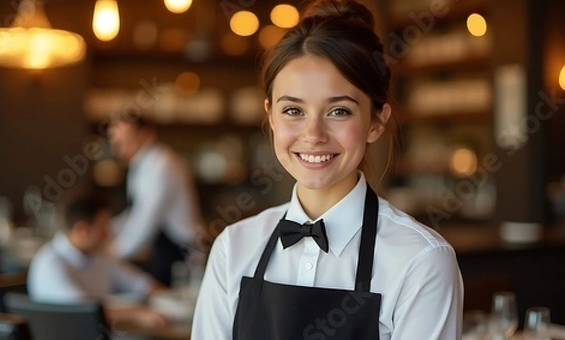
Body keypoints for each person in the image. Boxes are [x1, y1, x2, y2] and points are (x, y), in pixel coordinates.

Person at [191, 1, 464, 339]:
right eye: (293, 110)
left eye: (338, 112)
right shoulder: (233, 248)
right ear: (271, 117)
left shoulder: (421, 261)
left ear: (377, 121)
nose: (313, 135)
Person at [27, 192, 169, 330]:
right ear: (82, 229)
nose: (109, 233)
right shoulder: (50, 263)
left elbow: (141, 283)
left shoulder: (100, 256)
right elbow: (84, 312)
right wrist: (138, 315)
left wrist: (171, 300)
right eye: (103, 227)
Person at [107, 115, 203, 285]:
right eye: (116, 143)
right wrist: (105, 230)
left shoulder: (161, 165)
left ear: (147, 134)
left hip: (180, 250)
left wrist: (112, 254)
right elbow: (133, 213)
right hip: (163, 246)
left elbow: (146, 219)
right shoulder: (141, 164)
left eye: (126, 141)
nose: (119, 150)